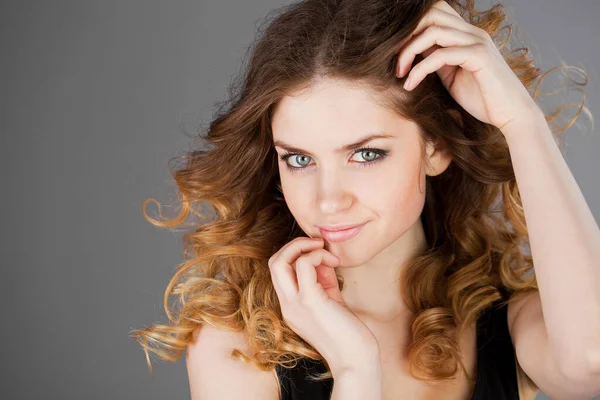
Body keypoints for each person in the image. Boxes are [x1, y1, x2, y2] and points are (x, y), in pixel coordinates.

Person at [130, 0, 600, 399]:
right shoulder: (236, 346)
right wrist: (355, 372)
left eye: (366, 154)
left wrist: (521, 123)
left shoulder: (506, 323)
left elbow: (592, 360)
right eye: (298, 160)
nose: (327, 201)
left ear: (435, 149)